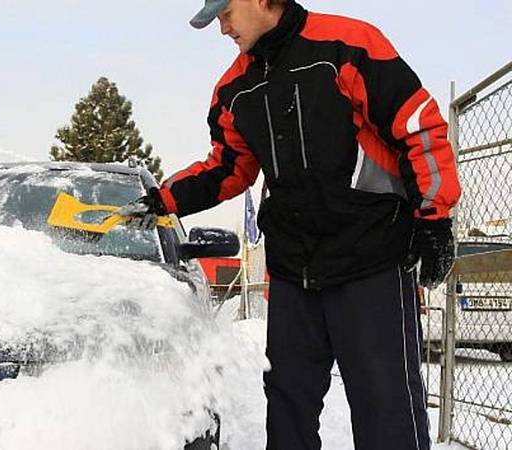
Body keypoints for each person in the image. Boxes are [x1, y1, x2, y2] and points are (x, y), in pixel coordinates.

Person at [117, 1, 461, 449]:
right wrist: (163, 199)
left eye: (225, 14)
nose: (222, 29)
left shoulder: (348, 45)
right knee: (288, 407)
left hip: (371, 260)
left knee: (386, 408)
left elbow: (418, 127)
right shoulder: (235, 88)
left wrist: (434, 219)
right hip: (293, 270)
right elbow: (227, 168)